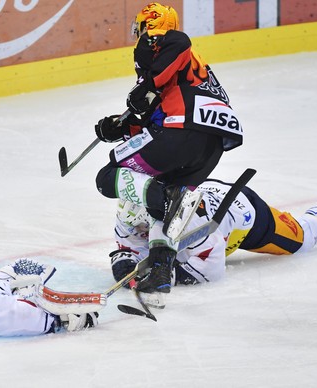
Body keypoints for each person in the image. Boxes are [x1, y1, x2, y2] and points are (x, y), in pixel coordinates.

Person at [94, 3, 243, 298]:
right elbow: (155, 120)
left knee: (108, 175)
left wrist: (147, 85)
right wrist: (121, 128)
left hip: (182, 135)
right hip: (208, 148)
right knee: (162, 206)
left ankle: (165, 198)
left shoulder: (166, 44)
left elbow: (179, 42)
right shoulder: (190, 74)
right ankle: (162, 271)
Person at [109, 179, 317, 307]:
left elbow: (211, 270)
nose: (140, 232)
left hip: (244, 212)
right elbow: (129, 245)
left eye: (144, 228)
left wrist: (167, 274)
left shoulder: (191, 220)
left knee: (302, 238)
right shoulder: (131, 213)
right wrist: (124, 263)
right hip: (202, 194)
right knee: (177, 252)